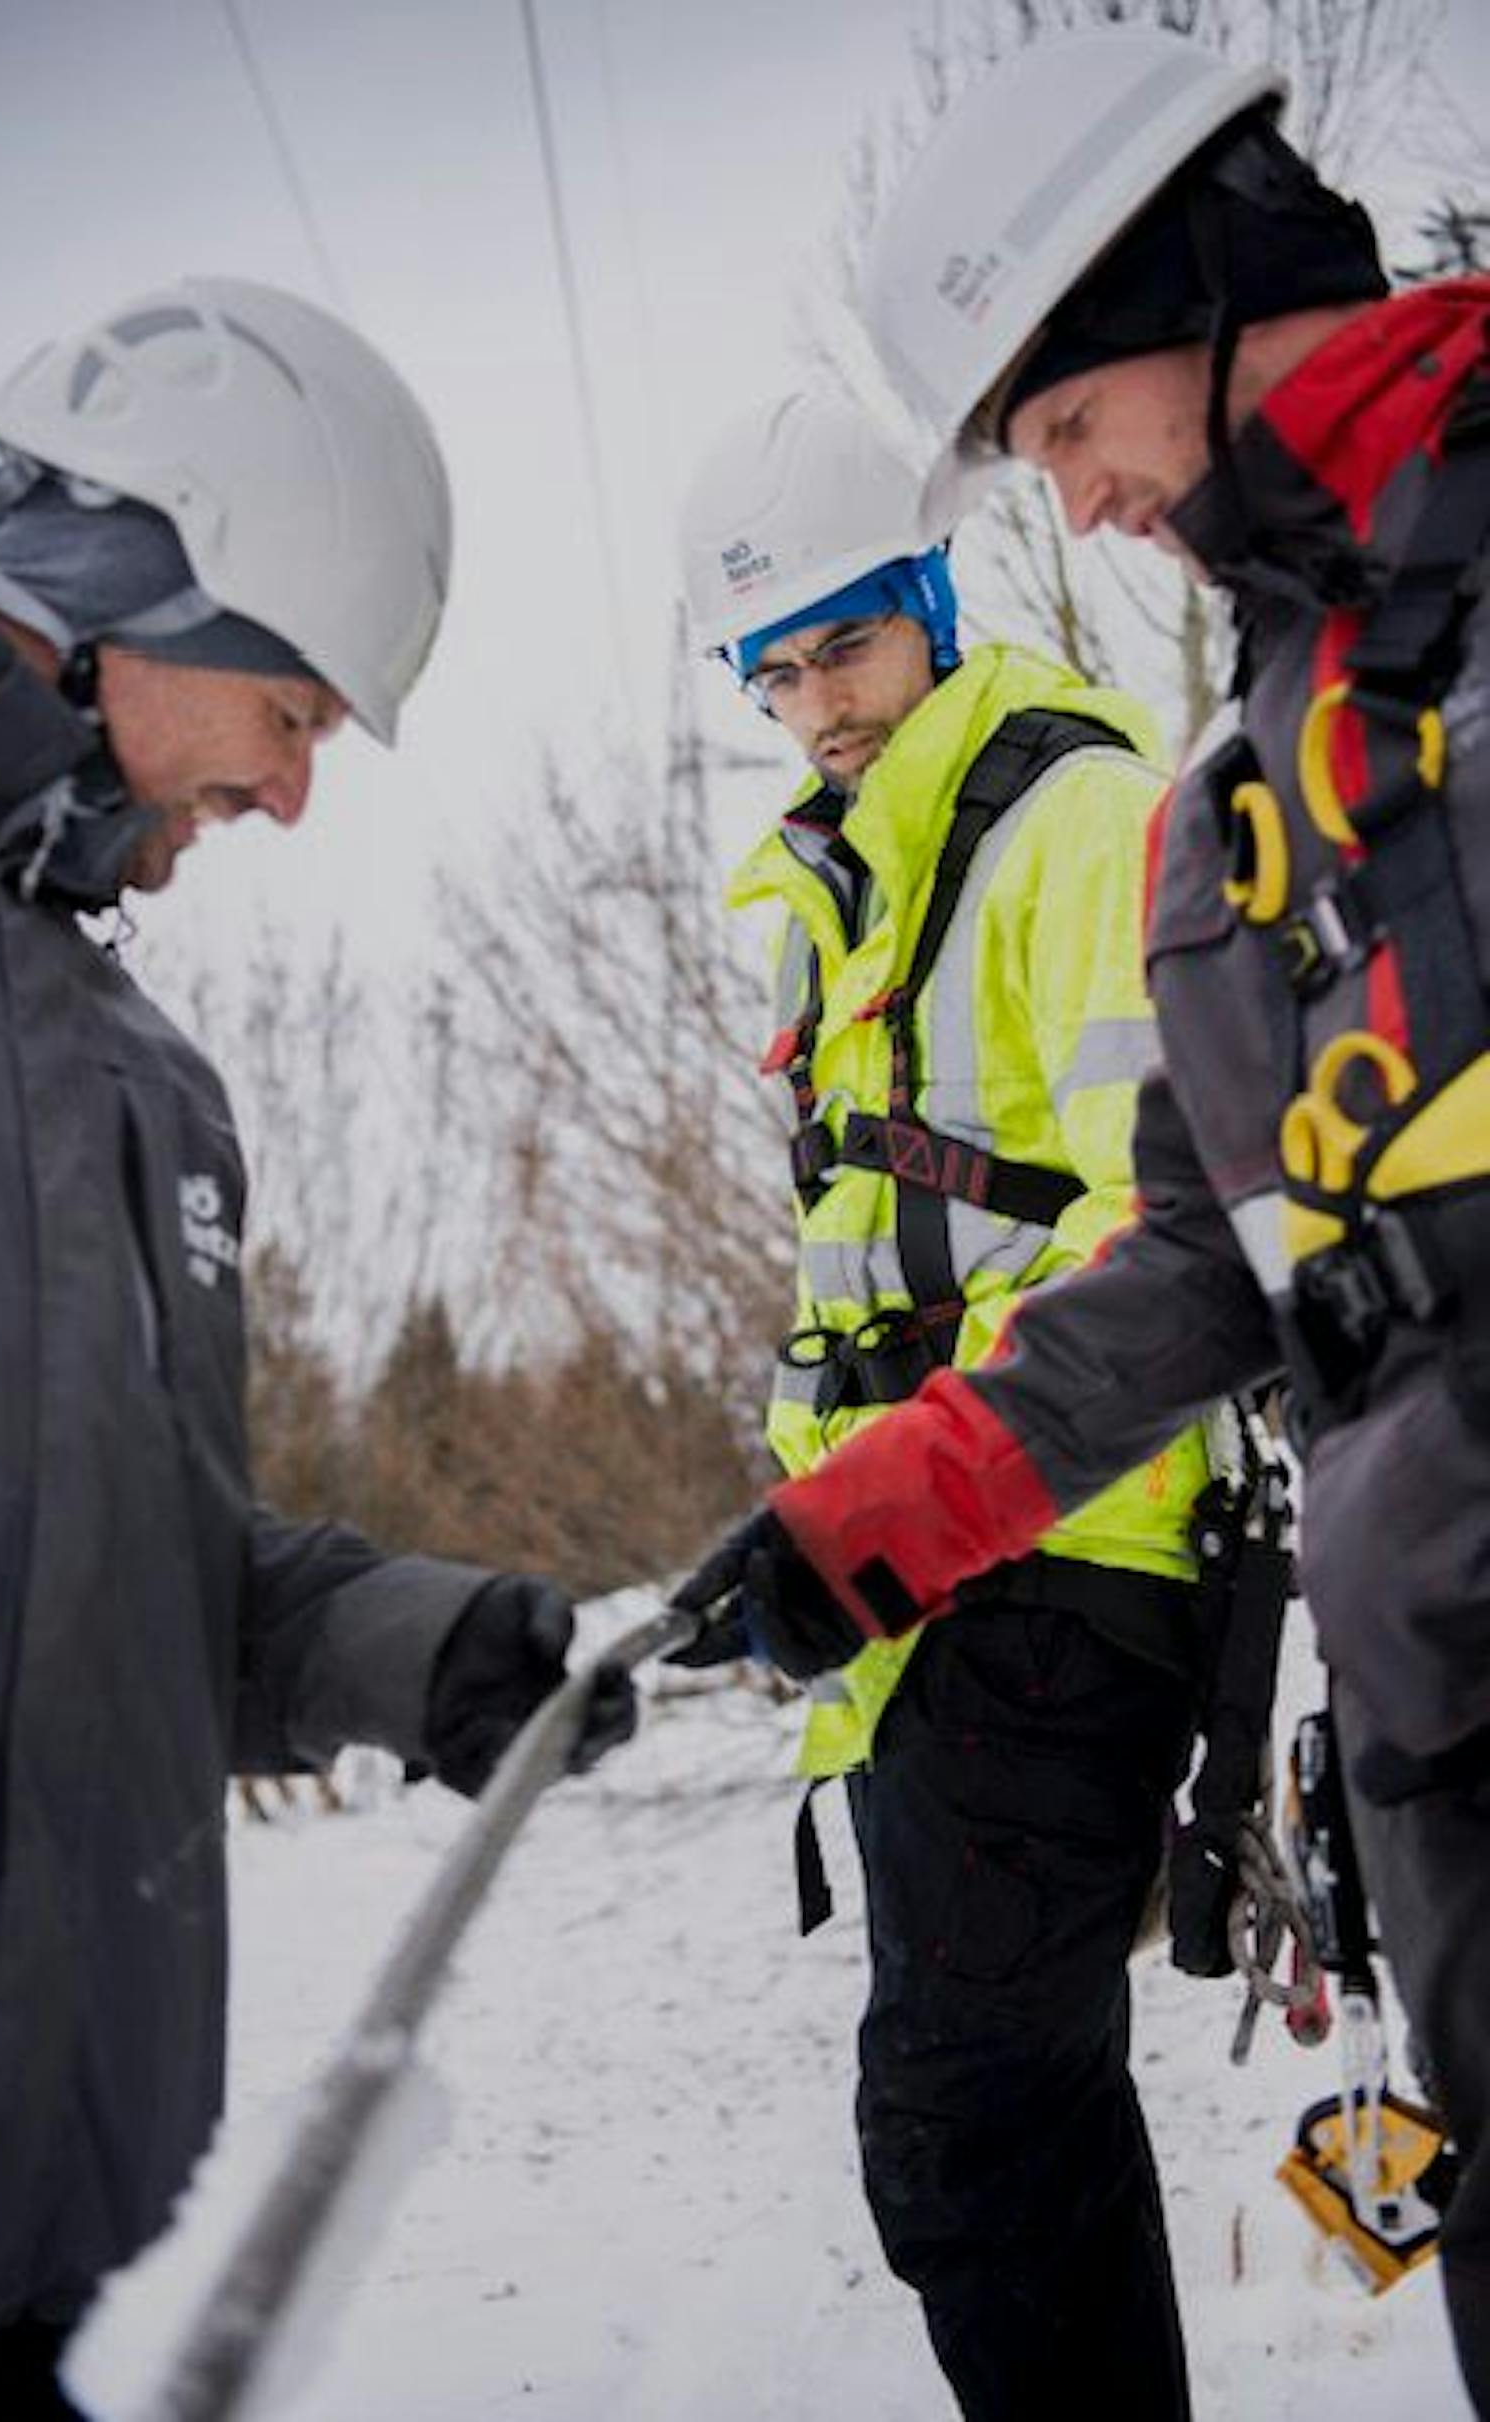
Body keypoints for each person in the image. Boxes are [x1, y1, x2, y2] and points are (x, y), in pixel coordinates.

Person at [691, 31, 1490, 2414]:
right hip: (1440, 1669)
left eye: (1067, 433)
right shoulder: (1260, 778)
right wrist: (898, 1493)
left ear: (1200, 286)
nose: (1089, 501)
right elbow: (1207, 1238)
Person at [0, 275, 633, 2414]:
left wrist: (424, 1641)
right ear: (143, 586)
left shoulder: (144, 1074)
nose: (299, 798)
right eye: (294, 713)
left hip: (38, 2247)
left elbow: (108, 1589)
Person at [674, 389, 1218, 2420]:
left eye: (849, 644)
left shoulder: (1068, 815)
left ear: (929, 604)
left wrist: (923, 1483)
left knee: (968, 2115)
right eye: (778, 669)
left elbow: (1171, 1215)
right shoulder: (862, 877)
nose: (819, 703)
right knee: (1003, 2117)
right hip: (919, 1576)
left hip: (1063, 1543)